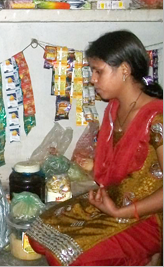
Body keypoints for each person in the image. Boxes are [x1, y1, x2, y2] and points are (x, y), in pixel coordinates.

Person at [28, 30, 163, 266]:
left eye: (98, 71)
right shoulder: (113, 108)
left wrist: (122, 213)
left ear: (124, 70)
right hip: (112, 201)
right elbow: (112, 166)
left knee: (71, 258)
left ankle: (144, 256)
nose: (92, 79)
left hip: (147, 215)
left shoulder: (157, 118)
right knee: (38, 234)